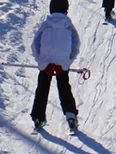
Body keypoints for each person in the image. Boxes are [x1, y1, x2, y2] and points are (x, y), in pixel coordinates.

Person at [30, 0, 81, 133]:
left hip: (45, 61)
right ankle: (70, 114)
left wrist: (39, 60)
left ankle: (38, 117)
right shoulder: (69, 25)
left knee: (42, 87)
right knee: (64, 86)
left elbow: (35, 43)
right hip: (62, 62)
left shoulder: (46, 24)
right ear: (66, 10)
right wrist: (68, 61)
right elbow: (76, 45)